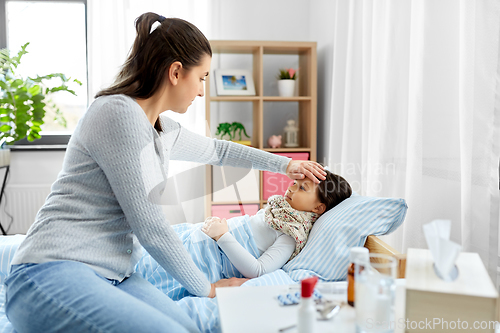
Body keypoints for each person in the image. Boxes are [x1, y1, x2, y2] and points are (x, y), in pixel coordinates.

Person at [4, 12, 326, 333]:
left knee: (188, 328)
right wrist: (208, 288)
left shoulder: (161, 129)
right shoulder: (118, 114)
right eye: (201, 78)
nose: (202, 91)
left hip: (114, 276)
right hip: (49, 271)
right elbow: (153, 229)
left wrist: (286, 165)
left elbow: (222, 151)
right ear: (175, 72)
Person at [202, 170, 352, 278]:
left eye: (302, 188)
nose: (291, 188)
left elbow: (258, 271)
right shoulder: (277, 211)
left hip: (210, 258)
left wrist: (221, 235)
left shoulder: (291, 233)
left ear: (318, 208)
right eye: (295, 182)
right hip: (207, 239)